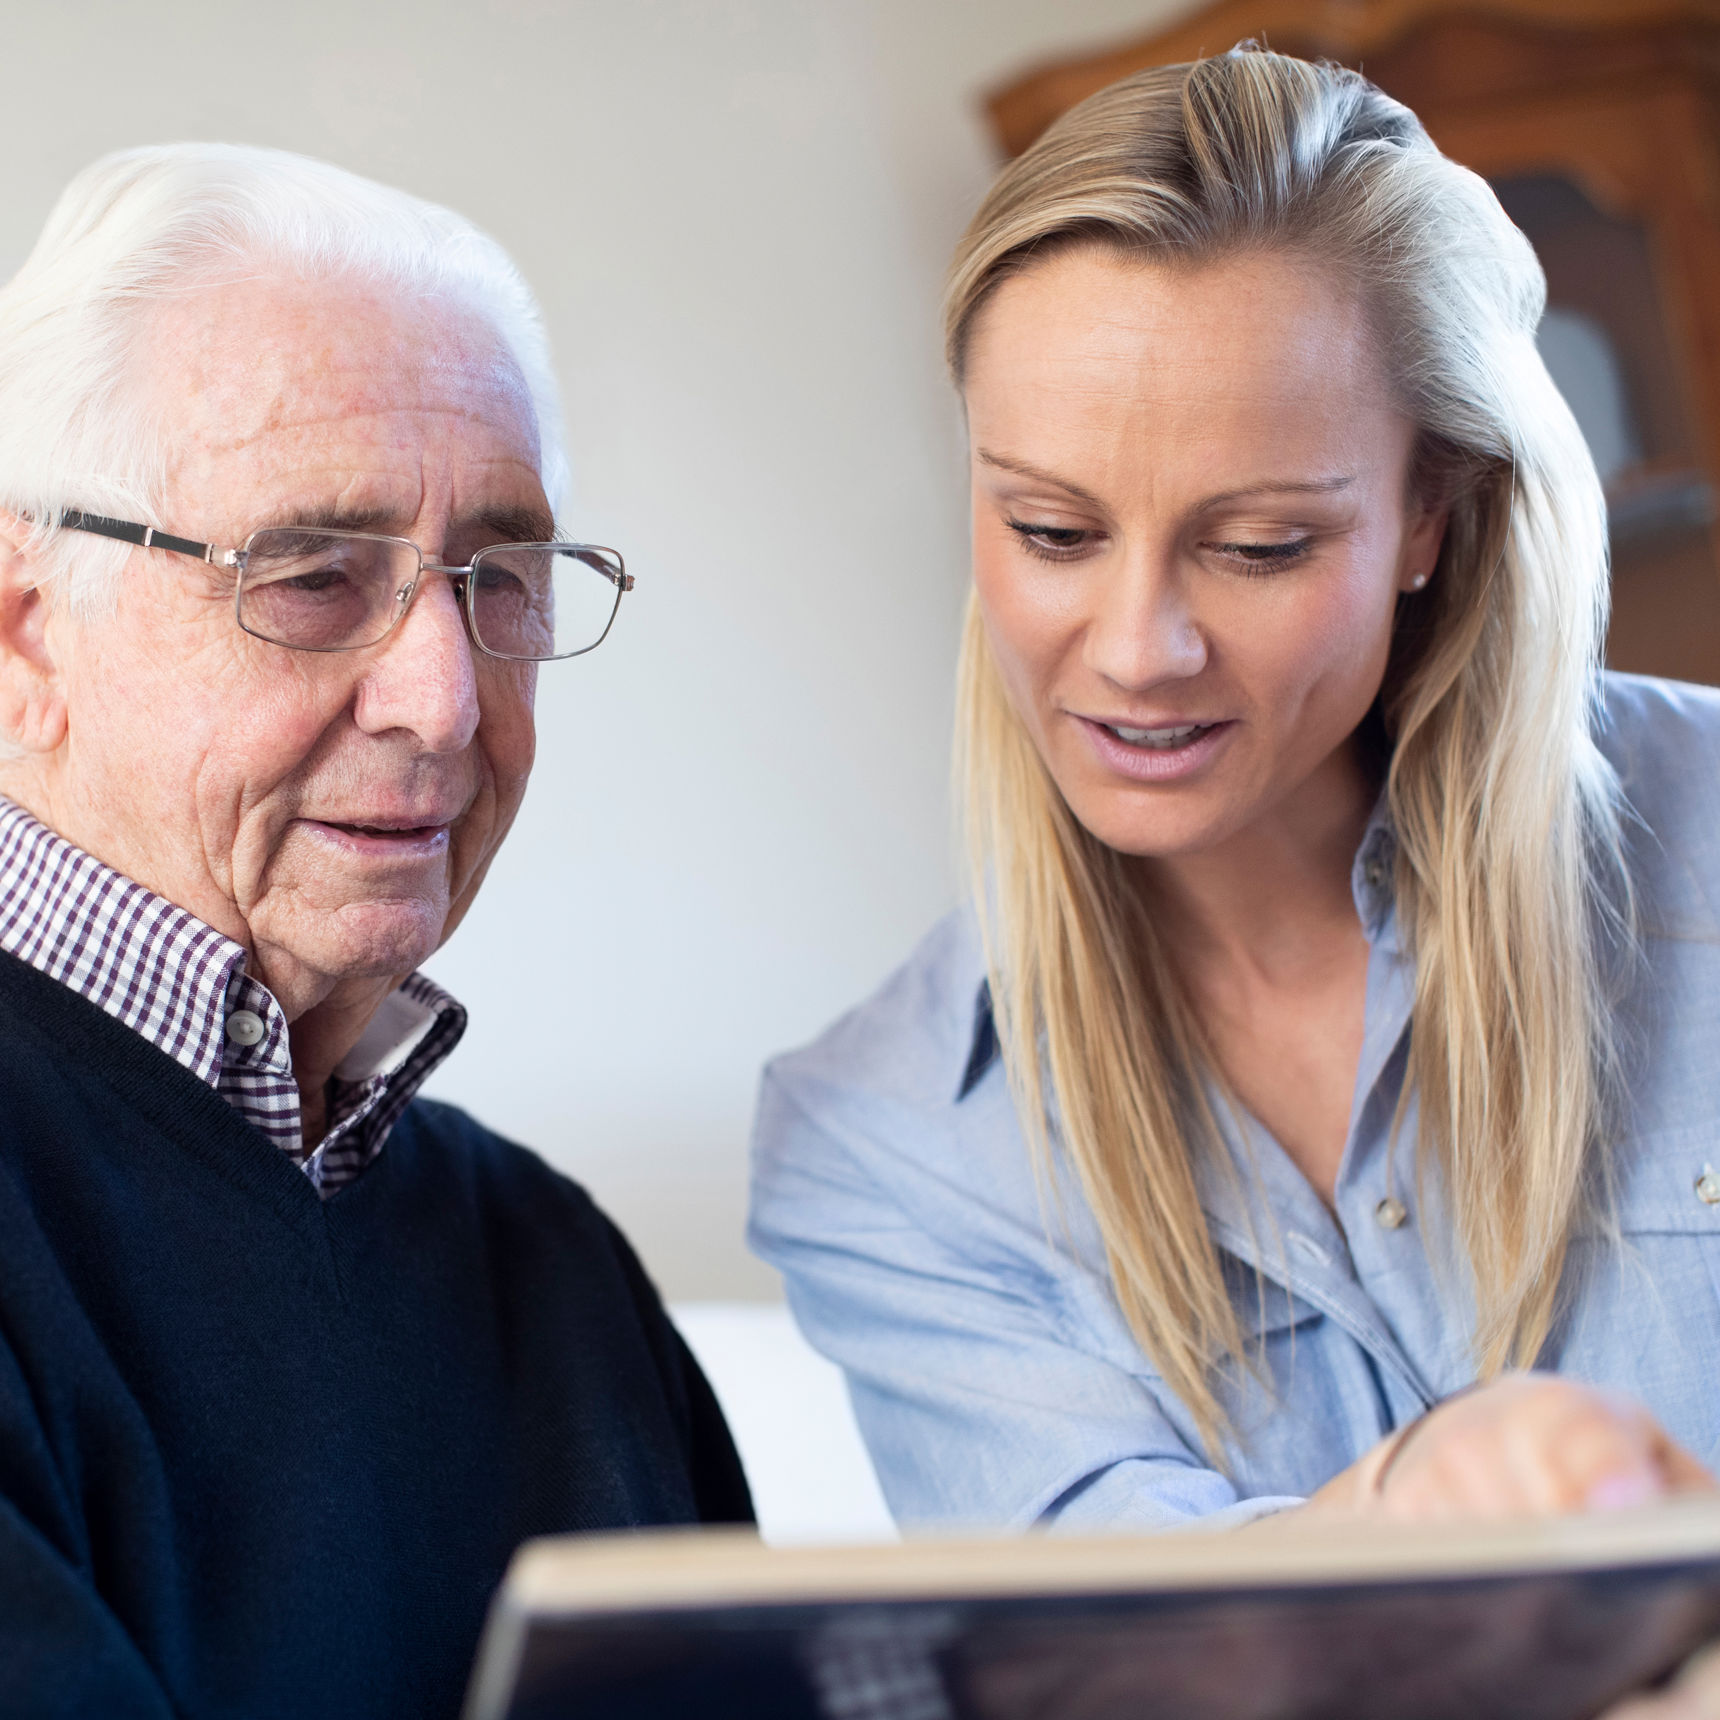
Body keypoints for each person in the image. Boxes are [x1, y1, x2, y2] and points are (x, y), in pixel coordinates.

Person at [752, 51, 1720, 1546]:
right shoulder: (882, 1146)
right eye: (1053, 530)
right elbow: (1122, 1633)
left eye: (1261, 546)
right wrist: (1414, 1506)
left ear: (1429, 516)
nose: (1139, 651)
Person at [0, 144, 749, 1720]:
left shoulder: (555, 1267)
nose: (445, 701)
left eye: (502, 577)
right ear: (26, 633)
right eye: (313, 576)